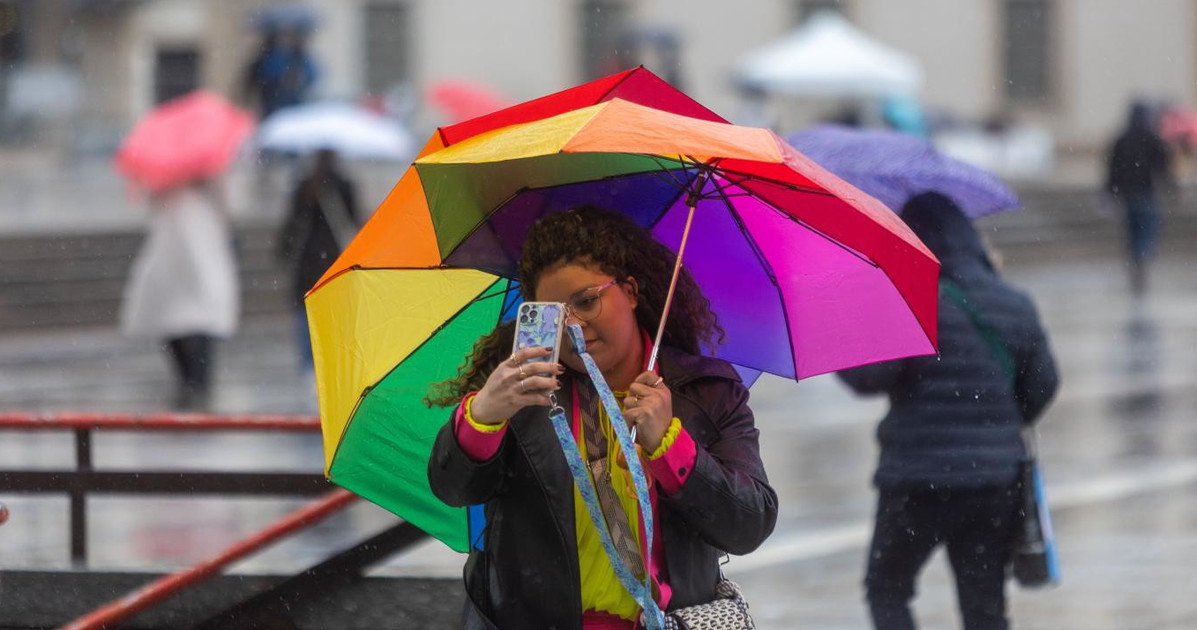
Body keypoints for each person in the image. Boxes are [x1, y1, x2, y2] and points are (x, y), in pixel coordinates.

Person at [425, 206, 778, 628]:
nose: (575, 327)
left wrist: (670, 443)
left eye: (587, 301)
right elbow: (453, 488)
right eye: (556, 315)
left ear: (629, 291)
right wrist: (483, 414)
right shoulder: (523, 394)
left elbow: (749, 524)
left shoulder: (707, 391)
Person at [838, 192, 1059, 630]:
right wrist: (998, 422)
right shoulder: (1013, 301)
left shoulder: (911, 301)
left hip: (917, 480)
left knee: (888, 589)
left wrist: (851, 325)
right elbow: (1044, 385)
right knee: (984, 607)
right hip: (995, 481)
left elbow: (871, 378)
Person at [120, 178, 239, 410]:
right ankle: (196, 382)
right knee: (192, 323)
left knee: (182, 322)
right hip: (187, 256)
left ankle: (193, 382)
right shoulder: (196, 197)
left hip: (181, 257)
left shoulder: (172, 193)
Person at [276, 148, 359, 372]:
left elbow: (292, 224)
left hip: (309, 258)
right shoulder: (343, 185)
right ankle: (332, 363)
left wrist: (283, 252)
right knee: (335, 314)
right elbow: (353, 219)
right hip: (334, 257)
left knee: (307, 314)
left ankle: (309, 367)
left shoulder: (305, 185)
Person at [1105, 101, 1172, 296]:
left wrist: (1110, 191)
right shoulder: (1152, 138)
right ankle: (1142, 259)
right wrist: (1170, 186)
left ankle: (1136, 260)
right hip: (1146, 193)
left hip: (1128, 195)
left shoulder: (1122, 139)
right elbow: (1163, 166)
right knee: (1146, 231)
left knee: (1133, 231)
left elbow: (1112, 169)